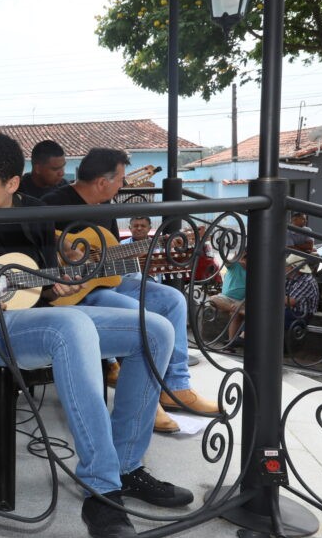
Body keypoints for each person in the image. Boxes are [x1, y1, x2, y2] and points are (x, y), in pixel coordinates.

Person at [0, 134, 192, 538]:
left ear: (12, 184)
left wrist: (57, 286)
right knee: (72, 327)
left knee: (156, 329)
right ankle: (101, 488)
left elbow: (40, 285)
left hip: (29, 321)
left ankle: (127, 468)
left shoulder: (39, 212)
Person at [41, 148, 218, 434]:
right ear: (102, 181)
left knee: (172, 299)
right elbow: (31, 231)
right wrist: (65, 246)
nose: (122, 186)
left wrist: (155, 251)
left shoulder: (107, 208)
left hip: (103, 282)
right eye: (120, 179)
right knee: (132, 314)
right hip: (69, 292)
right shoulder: (54, 202)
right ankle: (145, 401)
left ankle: (176, 387)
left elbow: (109, 258)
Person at [208, 250, 247, 352]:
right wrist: (236, 258)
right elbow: (227, 262)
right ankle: (240, 310)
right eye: (244, 258)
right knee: (213, 299)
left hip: (242, 301)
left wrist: (241, 304)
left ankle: (231, 343)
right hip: (227, 300)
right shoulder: (235, 265)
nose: (245, 261)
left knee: (236, 313)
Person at [284, 254, 319, 329]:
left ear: (293, 268)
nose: (284, 267)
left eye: (287, 265)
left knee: (266, 318)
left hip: (300, 315)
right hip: (290, 312)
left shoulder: (306, 280)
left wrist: (271, 294)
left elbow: (290, 301)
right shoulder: (290, 276)